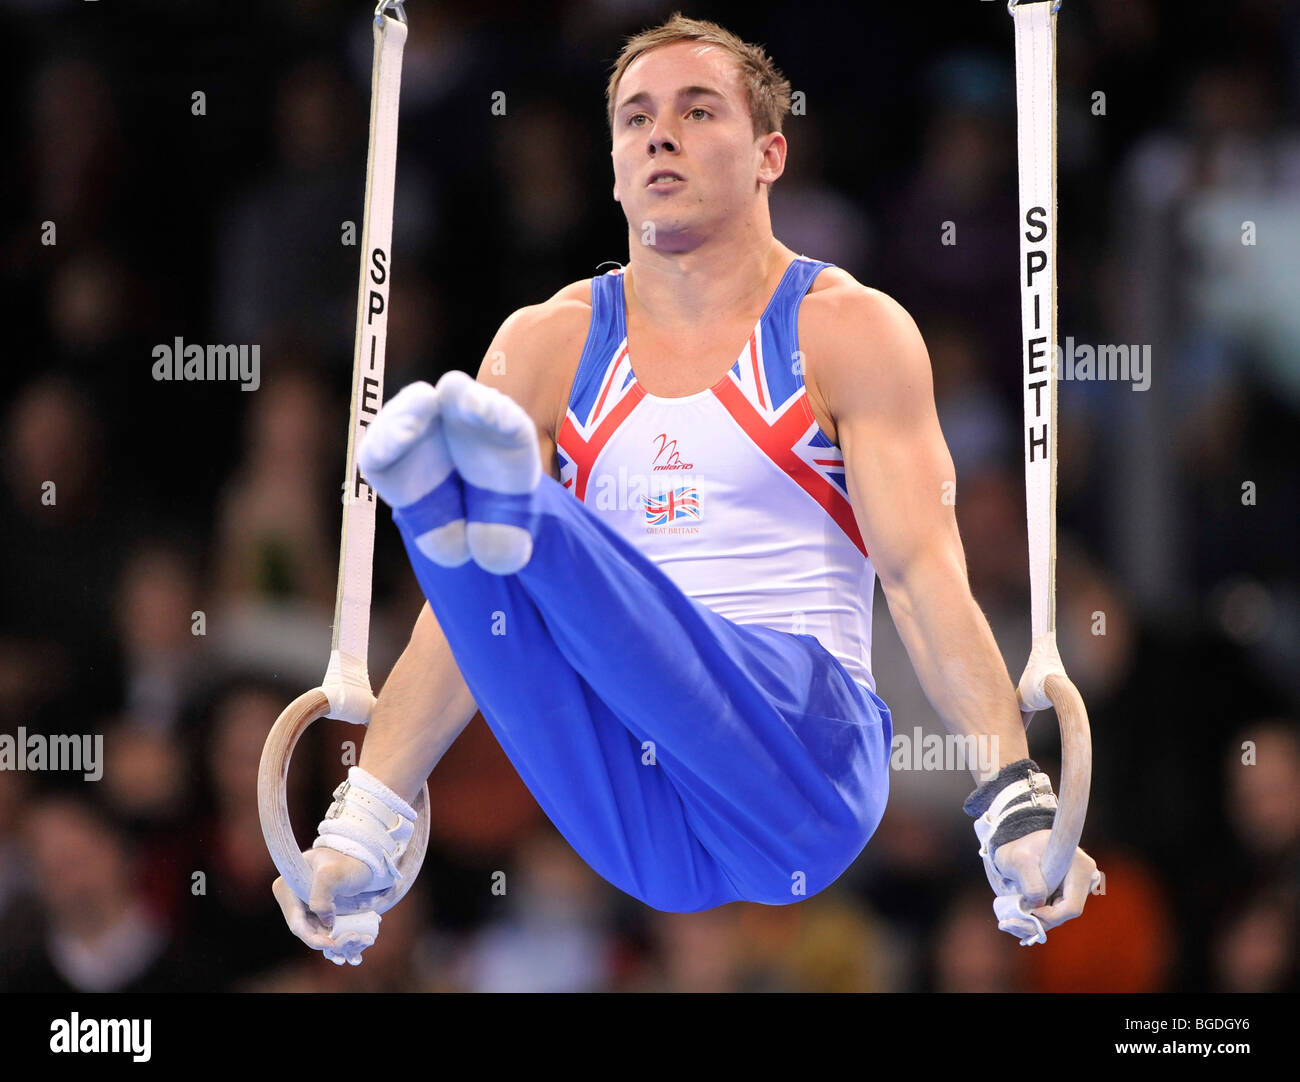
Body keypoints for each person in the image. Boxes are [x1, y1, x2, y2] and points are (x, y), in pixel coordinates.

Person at [274, 13, 1097, 964]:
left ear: (769, 154)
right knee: (484, 595)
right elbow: (461, 638)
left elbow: (922, 579)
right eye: (635, 118)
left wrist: (1014, 798)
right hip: (645, 830)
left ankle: (505, 504)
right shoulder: (546, 342)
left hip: (806, 772)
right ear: (615, 160)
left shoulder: (844, 331)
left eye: (697, 110)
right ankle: (454, 505)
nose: (659, 133)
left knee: (568, 573)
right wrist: (358, 834)